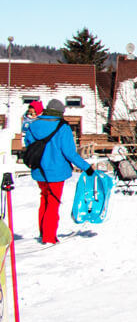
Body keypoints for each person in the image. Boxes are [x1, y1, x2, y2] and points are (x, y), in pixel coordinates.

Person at [22, 99, 94, 244]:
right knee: (53, 203)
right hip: (55, 172)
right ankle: (49, 237)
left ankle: (43, 232)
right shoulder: (63, 127)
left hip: (39, 170)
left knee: (44, 199)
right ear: (61, 112)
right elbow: (69, 153)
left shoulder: (33, 125)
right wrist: (87, 167)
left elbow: (28, 145)